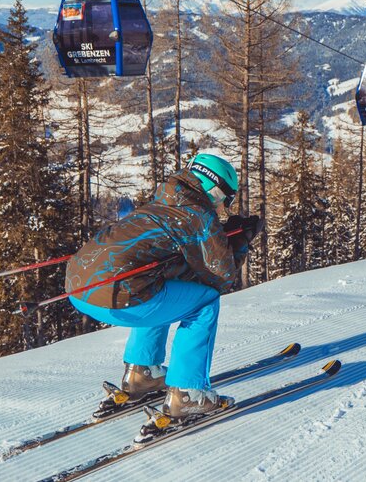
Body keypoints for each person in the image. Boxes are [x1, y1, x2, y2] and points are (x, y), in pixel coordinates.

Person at [66, 152, 264, 420]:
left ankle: (142, 372)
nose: (220, 208)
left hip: (80, 291)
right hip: (119, 298)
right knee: (205, 301)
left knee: (159, 288)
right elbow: (223, 275)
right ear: (213, 190)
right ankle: (188, 394)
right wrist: (242, 239)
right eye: (222, 200)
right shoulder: (197, 214)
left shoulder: (164, 200)